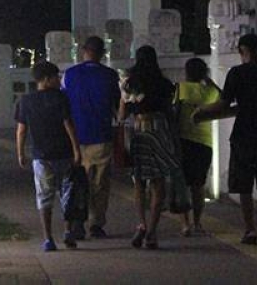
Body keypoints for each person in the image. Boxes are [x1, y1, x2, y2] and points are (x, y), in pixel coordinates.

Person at [193, 33, 257, 245]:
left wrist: (202, 111)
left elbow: (224, 104)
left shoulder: (236, 74)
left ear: (241, 51)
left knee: (244, 182)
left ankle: (249, 229)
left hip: (243, 133)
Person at [15, 61, 82, 252]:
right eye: (55, 77)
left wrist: (20, 153)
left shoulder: (25, 101)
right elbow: (68, 125)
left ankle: (48, 238)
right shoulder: (60, 98)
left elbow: (21, 130)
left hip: (41, 156)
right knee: (67, 193)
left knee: (44, 196)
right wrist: (77, 150)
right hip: (63, 153)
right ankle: (68, 232)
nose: (58, 80)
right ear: (46, 79)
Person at [118, 45, 178, 249]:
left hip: (139, 130)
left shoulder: (130, 83)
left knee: (139, 181)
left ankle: (141, 224)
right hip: (159, 130)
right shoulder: (164, 83)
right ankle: (152, 231)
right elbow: (170, 113)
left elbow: (121, 115)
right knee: (158, 182)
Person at [61, 35, 120, 239]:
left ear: (83, 51)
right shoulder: (111, 76)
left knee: (77, 181)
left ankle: (77, 220)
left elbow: (63, 105)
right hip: (101, 135)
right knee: (100, 184)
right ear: (102, 54)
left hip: (74, 137)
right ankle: (96, 224)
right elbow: (116, 107)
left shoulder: (69, 75)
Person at [174, 57, 221, 237]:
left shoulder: (181, 88)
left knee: (183, 184)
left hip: (183, 140)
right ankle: (198, 222)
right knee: (198, 185)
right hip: (204, 143)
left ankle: (185, 223)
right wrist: (210, 81)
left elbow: (175, 112)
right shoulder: (209, 91)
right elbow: (225, 97)